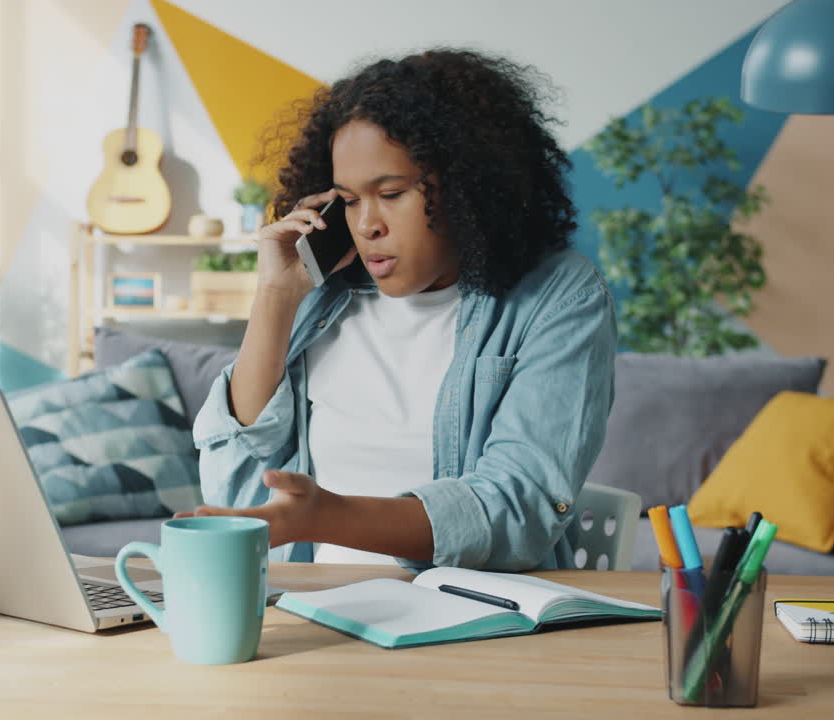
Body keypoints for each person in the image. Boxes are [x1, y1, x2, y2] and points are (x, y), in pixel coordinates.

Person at [181, 49, 616, 572]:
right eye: (349, 199)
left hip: (473, 623)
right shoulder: (324, 297)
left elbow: (517, 509)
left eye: (390, 193)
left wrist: (326, 516)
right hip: (320, 611)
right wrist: (275, 296)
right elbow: (234, 490)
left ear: (466, 186)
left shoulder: (559, 295)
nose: (367, 225)